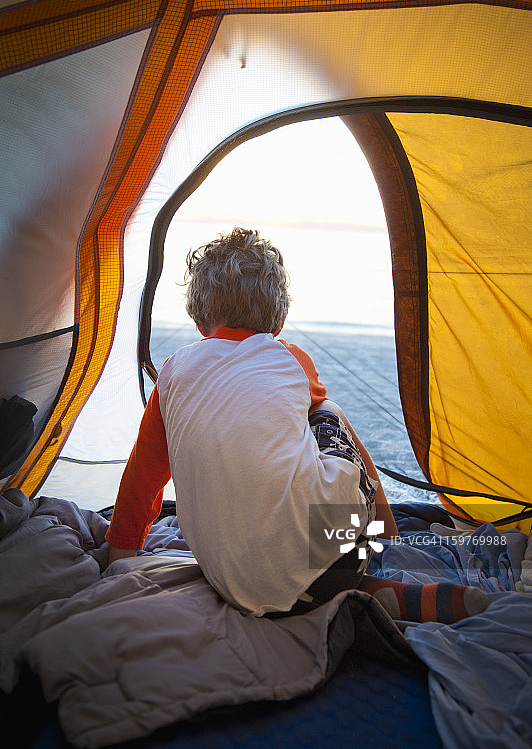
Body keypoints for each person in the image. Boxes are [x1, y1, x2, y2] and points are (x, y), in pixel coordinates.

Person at [106, 227, 486, 623]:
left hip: (232, 582)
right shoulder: (290, 358)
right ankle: (382, 551)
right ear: (280, 320)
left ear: (200, 322)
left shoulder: (173, 373)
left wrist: (119, 557)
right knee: (328, 412)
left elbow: (141, 478)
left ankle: (355, 592)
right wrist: (385, 535)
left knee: (280, 548)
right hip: (337, 556)